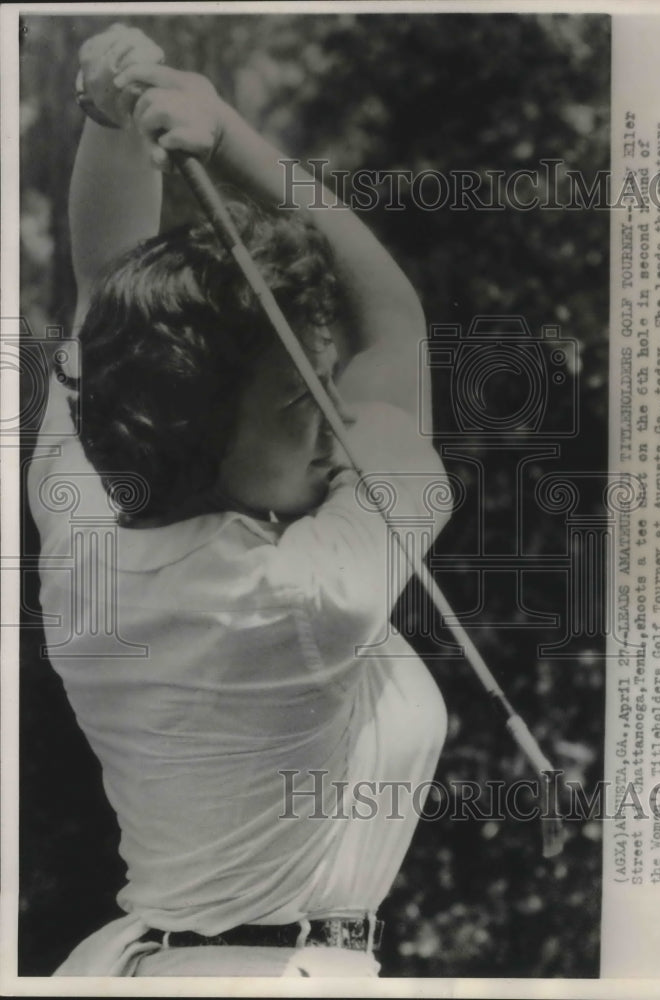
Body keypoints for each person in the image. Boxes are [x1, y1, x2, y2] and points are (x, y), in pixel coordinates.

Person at [28, 23, 451, 977]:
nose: (334, 418)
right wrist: (229, 137)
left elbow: (108, 281)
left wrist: (110, 111)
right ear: (205, 432)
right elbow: (396, 323)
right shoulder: (302, 596)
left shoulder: (93, 531)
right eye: (304, 399)